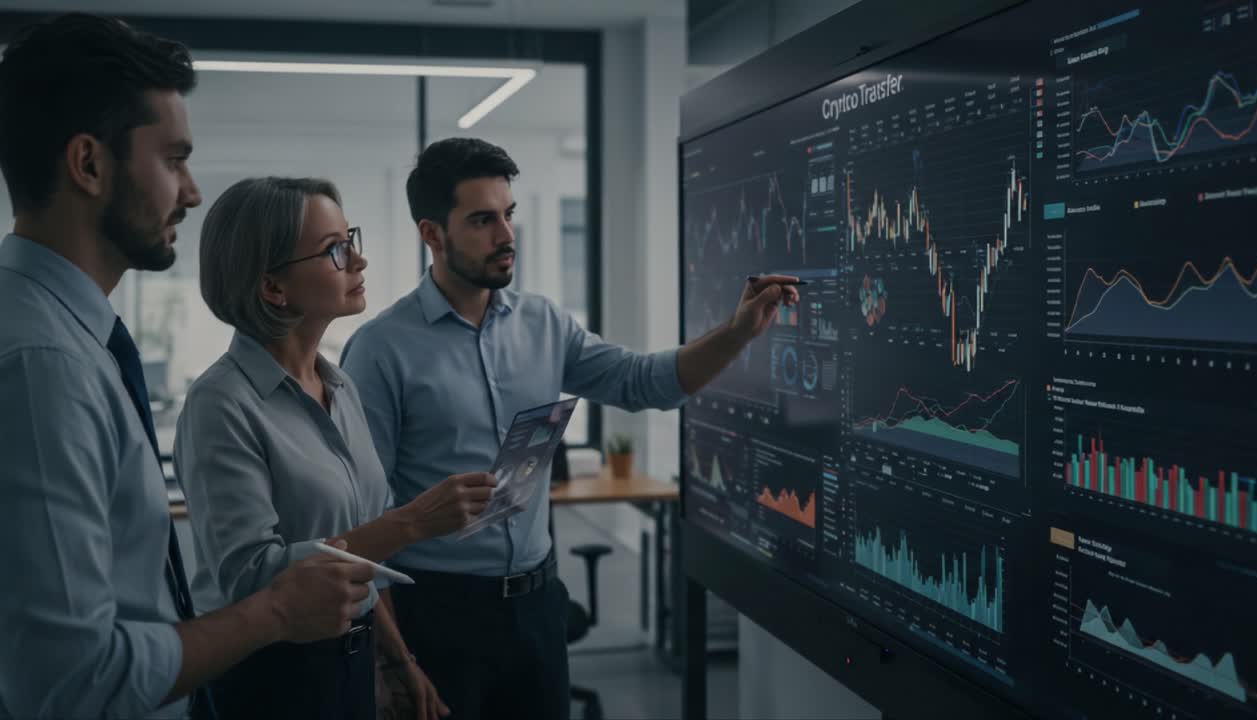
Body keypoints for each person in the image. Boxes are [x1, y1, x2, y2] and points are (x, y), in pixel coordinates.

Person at [340, 137, 799, 719]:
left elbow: (643, 382)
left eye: (508, 215)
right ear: (432, 234)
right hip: (437, 615)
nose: (506, 236)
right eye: (482, 220)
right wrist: (392, 661)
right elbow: (360, 522)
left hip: (537, 608)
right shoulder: (381, 350)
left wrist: (736, 333)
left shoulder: (545, 324)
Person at [0, 14, 375, 719]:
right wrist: (273, 614)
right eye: (173, 160)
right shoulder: (43, 365)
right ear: (88, 164)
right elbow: (65, 683)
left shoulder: (74, 340)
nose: (193, 192)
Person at [176, 176, 497, 720]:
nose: (359, 262)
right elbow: (251, 576)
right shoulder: (221, 405)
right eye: (335, 250)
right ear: (273, 287)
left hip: (351, 659)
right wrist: (413, 523)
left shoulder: (339, 387)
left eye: (349, 239)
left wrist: (397, 660)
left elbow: (360, 558)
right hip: (272, 679)